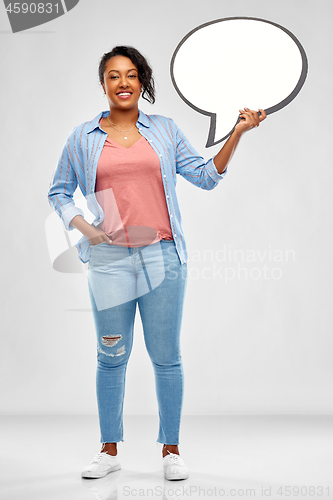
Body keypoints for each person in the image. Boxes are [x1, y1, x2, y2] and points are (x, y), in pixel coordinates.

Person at [48, 45, 266, 481]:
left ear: (143, 82)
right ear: (103, 84)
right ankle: (109, 449)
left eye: (131, 75)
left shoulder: (164, 131)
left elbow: (205, 177)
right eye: (113, 75)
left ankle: (171, 450)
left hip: (163, 256)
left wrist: (237, 132)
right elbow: (58, 191)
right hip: (109, 260)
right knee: (111, 354)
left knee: (166, 356)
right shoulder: (82, 137)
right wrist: (87, 229)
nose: (123, 82)